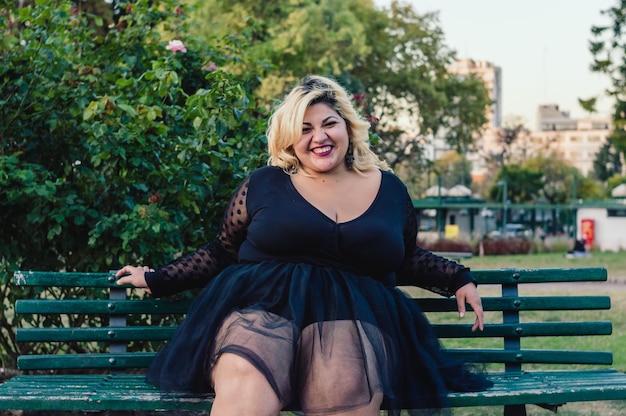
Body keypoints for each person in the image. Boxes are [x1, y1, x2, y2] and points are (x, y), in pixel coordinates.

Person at [116, 75, 492, 415]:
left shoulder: (389, 189)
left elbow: (404, 255)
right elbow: (223, 251)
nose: (319, 137)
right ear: (290, 138)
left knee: (347, 386)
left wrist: (457, 277)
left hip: (352, 319)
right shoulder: (265, 183)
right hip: (263, 310)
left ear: (347, 126)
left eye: (329, 123)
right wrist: (157, 278)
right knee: (245, 379)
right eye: (305, 128)